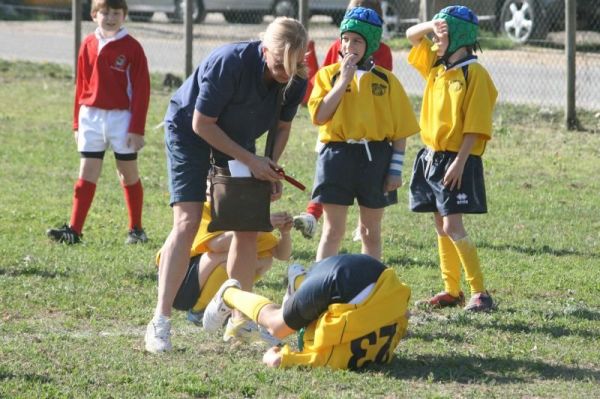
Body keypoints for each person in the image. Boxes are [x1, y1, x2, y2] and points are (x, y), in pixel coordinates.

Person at [144, 17, 308, 353]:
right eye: (279, 64)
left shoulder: (296, 79)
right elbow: (202, 123)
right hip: (191, 133)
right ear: (265, 49)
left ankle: (239, 320)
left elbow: (281, 127)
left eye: (292, 67)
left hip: (238, 136)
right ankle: (159, 322)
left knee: (247, 226)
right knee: (188, 221)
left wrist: (271, 166)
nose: (284, 74)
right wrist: (251, 162)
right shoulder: (229, 62)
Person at [307, 7, 419, 261]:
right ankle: (320, 286)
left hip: (375, 156)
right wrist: (343, 81)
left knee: (370, 232)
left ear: (371, 44)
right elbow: (320, 115)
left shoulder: (386, 80)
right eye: (345, 39)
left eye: (357, 40)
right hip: (336, 155)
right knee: (332, 230)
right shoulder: (328, 75)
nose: (349, 45)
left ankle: (370, 289)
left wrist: (395, 169)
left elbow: (400, 131)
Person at [405, 6, 497, 312]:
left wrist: (459, 161)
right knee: (439, 225)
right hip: (430, 157)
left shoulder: (475, 74)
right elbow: (410, 35)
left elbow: (476, 124)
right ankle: (451, 289)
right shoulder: (437, 66)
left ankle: (480, 292)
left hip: (457, 159)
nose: (433, 41)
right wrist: (434, 24)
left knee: (453, 224)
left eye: (441, 36)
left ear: (459, 37)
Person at [46, 0, 150, 245]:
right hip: (90, 117)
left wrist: (136, 128)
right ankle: (74, 230)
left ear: (124, 16)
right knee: (87, 172)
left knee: (127, 173)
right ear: (94, 15)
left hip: (121, 118)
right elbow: (80, 86)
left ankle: (136, 229)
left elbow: (142, 90)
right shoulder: (88, 44)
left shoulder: (132, 47)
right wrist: (76, 124)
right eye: (105, 12)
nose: (110, 17)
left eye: (116, 13)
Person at [293, 0, 394, 241]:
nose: (350, 43)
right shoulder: (337, 47)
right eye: (350, 16)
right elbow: (323, 84)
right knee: (329, 177)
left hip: (369, 136)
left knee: (365, 190)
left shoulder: (383, 52)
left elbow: (383, 88)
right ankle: (312, 215)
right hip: (335, 128)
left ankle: (362, 225)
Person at [202, 254, 411, 369]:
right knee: (277, 326)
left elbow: (404, 314)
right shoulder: (329, 358)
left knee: (315, 304)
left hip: (375, 271)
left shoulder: (386, 350)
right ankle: (229, 293)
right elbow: (276, 360)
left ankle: (300, 281)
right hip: (335, 281)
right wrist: (271, 356)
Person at [153, 205, 293, 346]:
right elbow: (216, 245)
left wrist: (285, 233)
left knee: (263, 260)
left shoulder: (247, 210)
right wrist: (259, 225)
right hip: (181, 286)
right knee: (230, 255)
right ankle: (199, 310)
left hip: (200, 276)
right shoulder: (205, 206)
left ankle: (233, 310)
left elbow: (282, 254)